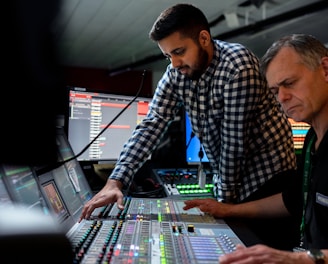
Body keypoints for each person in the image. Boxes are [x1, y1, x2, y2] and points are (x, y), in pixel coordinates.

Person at [79, 3, 298, 248]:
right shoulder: (176, 73)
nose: (173, 63)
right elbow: (152, 124)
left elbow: (233, 147)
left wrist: (222, 212)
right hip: (233, 178)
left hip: (269, 180)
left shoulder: (238, 66)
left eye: (179, 51)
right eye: (167, 55)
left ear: (204, 38)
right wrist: (115, 181)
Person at [184, 34, 328, 263]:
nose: (282, 97)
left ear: (326, 69)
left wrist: (301, 259)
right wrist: (228, 210)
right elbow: (291, 200)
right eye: (274, 91)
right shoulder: (312, 138)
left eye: (289, 83)